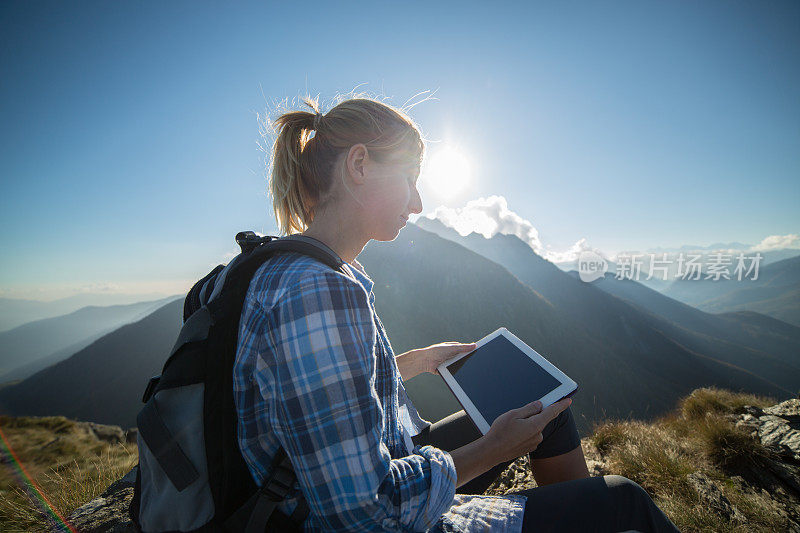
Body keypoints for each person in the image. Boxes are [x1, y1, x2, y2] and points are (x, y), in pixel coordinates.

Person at [233, 97, 679, 532]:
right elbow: (367, 512)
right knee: (624, 502)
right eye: (409, 178)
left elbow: (316, 391)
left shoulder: (293, 267)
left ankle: (578, 517)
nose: (419, 202)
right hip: (370, 509)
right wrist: (491, 450)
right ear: (359, 164)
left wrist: (412, 360)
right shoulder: (317, 291)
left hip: (376, 460)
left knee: (546, 409)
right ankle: (590, 515)